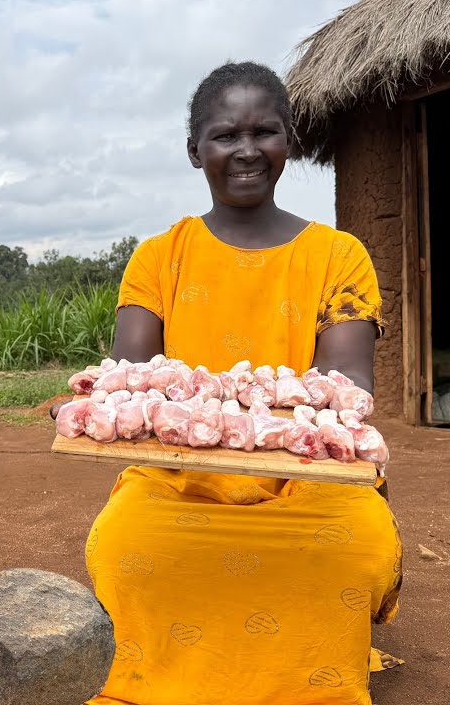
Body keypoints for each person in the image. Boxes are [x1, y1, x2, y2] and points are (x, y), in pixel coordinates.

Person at [78, 62, 403, 705]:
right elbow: (133, 384)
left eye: (266, 132)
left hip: (307, 476)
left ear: (291, 142)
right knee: (121, 546)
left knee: (360, 546)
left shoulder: (339, 256)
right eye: (226, 135)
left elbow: (348, 382)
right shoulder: (158, 257)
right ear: (195, 150)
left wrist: (260, 417)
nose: (247, 151)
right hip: (178, 474)